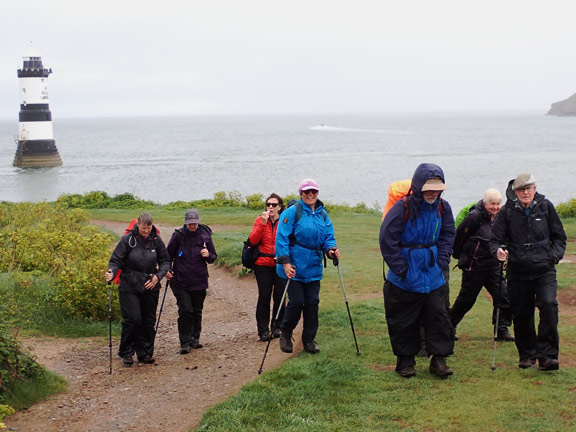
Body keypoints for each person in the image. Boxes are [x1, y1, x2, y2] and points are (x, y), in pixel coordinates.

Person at [380, 163, 456, 378]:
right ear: (419, 186)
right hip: (405, 275)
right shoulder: (402, 208)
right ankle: (405, 361)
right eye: (429, 188)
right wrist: (400, 268)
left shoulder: (444, 208)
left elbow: (448, 234)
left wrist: (442, 260)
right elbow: (387, 238)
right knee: (404, 319)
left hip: (433, 272)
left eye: (437, 188)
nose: (433, 193)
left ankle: (438, 359)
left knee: (439, 316)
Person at [490, 173, 566, 371]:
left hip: (544, 269)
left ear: (535, 188)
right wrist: (498, 250)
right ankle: (527, 355)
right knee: (522, 313)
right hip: (517, 270)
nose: (525, 192)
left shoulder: (546, 206)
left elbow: (559, 237)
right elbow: (495, 240)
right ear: (515, 192)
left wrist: (553, 256)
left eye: (529, 188)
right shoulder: (507, 212)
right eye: (521, 189)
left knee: (549, 305)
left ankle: (548, 356)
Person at [275, 179, 339, 354]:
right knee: (297, 302)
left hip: (313, 265)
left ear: (317, 193)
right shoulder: (291, 212)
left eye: (314, 192)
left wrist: (331, 250)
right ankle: (286, 332)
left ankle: (309, 340)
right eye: (307, 192)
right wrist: (286, 263)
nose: (311, 195)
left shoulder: (323, 214)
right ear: (301, 193)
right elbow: (281, 239)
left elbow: (328, 237)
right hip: (294, 266)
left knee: (312, 303)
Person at [105, 212, 171, 367]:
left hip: (150, 284)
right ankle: (126, 352)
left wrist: (158, 276)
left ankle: (145, 353)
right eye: (143, 227)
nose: (146, 230)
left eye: (149, 227)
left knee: (148, 321)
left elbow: (165, 261)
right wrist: (111, 272)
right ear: (138, 224)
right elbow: (115, 260)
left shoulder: (156, 240)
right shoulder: (128, 240)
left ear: (152, 226)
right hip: (129, 284)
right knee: (133, 319)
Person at [450, 189, 514, 341]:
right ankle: (449, 326)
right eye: (493, 204)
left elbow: (504, 237)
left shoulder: (500, 217)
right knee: (466, 300)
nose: (496, 207)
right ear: (485, 203)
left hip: (493, 265)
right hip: (474, 265)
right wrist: (459, 256)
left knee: (503, 297)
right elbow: (460, 235)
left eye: (498, 204)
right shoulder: (474, 216)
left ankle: (501, 329)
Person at [166, 209, 217, 354]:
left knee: (197, 310)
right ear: (185, 223)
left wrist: (208, 255)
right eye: (190, 224)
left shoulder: (205, 235)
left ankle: (195, 338)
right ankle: (185, 341)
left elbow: (213, 257)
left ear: (198, 222)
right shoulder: (178, 235)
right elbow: (167, 255)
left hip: (199, 279)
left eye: (194, 223)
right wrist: (167, 270)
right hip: (180, 280)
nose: (192, 226)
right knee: (185, 310)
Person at [248, 193, 286, 342]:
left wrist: (283, 257)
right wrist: (262, 224)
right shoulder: (259, 220)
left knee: (280, 296)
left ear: (280, 207)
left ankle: (277, 327)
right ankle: (263, 331)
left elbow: (288, 240)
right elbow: (252, 240)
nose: (270, 207)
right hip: (262, 264)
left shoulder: (284, 221)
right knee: (264, 297)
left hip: (280, 263)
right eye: (268, 204)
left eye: (274, 205)